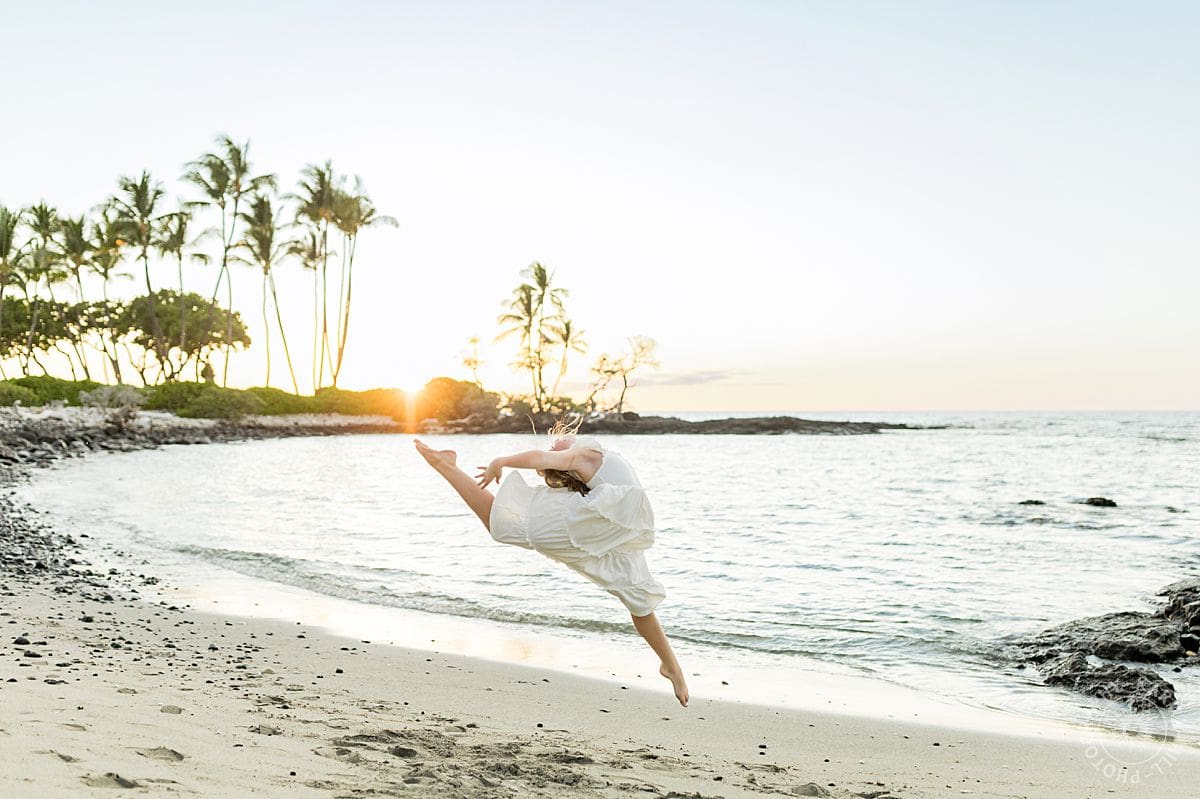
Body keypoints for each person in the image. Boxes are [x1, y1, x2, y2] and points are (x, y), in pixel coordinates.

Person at [413, 420, 689, 706]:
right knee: (502, 522)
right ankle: (446, 466)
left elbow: (548, 459)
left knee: (638, 597)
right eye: (555, 447)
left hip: (611, 532)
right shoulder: (583, 455)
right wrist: (502, 460)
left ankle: (670, 664)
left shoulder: (593, 455)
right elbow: (540, 458)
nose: (556, 444)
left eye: (558, 442)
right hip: (590, 528)